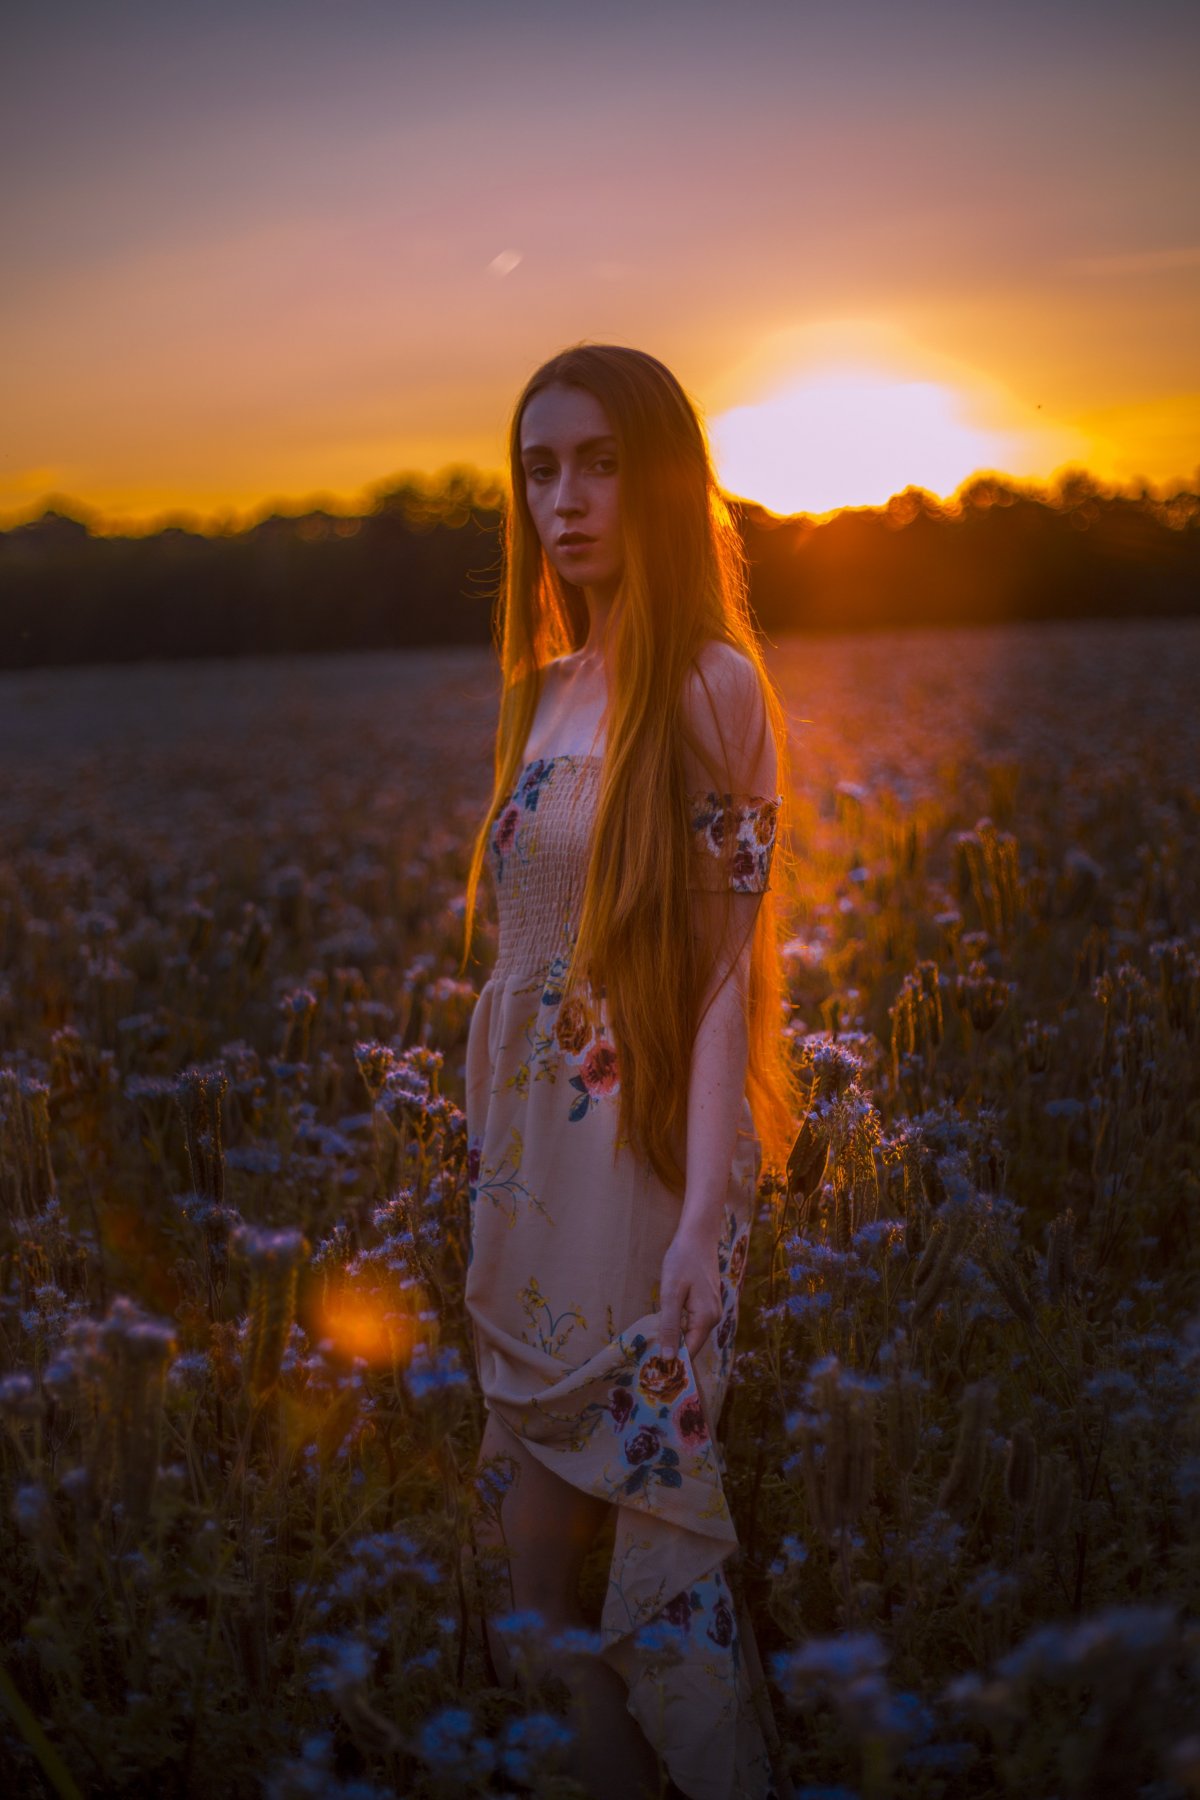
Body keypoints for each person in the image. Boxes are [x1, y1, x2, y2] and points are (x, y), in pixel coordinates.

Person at [458, 344, 799, 1800]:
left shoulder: (719, 690)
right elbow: (515, 963)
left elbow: (726, 980)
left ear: (659, 483)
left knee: (631, 1575)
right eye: (541, 469)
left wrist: (704, 1229)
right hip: (522, 1166)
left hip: (640, 1165)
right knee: (526, 1597)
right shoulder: (539, 696)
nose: (568, 500)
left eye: (599, 463)